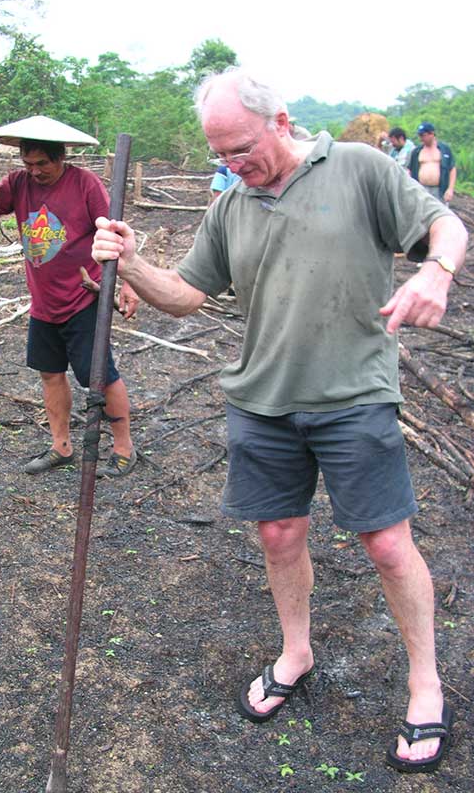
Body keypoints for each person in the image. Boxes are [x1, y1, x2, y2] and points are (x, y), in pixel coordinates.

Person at [92, 67, 467, 773]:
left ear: (282, 121)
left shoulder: (357, 168)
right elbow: (183, 296)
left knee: (387, 545)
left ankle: (426, 684)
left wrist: (435, 273)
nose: (233, 166)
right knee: (278, 533)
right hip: (263, 403)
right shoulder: (231, 206)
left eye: (241, 148)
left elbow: (444, 224)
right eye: (220, 156)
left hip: (354, 395)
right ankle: (296, 651)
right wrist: (134, 260)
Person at [0, 116, 139, 477]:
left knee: (100, 376)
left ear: (61, 158)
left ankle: (123, 448)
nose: (35, 171)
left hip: (84, 297)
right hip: (44, 302)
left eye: (42, 164)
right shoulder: (19, 184)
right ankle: (61, 446)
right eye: (28, 164)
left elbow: (115, 235)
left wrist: (128, 282)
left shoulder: (84, 184)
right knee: (50, 374)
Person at [408, 122, 456, 203]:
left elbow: (452, 169)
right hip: (421, 189)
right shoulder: (416, 151)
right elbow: (410, 170)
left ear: (432, 134)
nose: (421, 138)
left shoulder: (444, 149)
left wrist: (450, 189)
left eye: (423, 135)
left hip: (439, 190)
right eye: (420, 135)